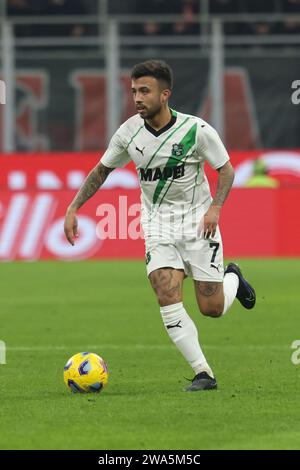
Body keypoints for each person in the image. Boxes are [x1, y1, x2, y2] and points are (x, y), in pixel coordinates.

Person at [64, 60, 256, 392]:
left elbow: (226, 170)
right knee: (165, 292)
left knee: (211, 309)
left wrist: (215, 208)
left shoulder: (196, 130)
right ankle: (203, 373)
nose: (137, 98)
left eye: (145, 91)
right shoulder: (128, 132)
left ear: (165, 94)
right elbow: (101, 171)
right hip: (157, 227)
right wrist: (73, 206)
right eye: (134, 91)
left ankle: (232, 279)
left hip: (198, 225)